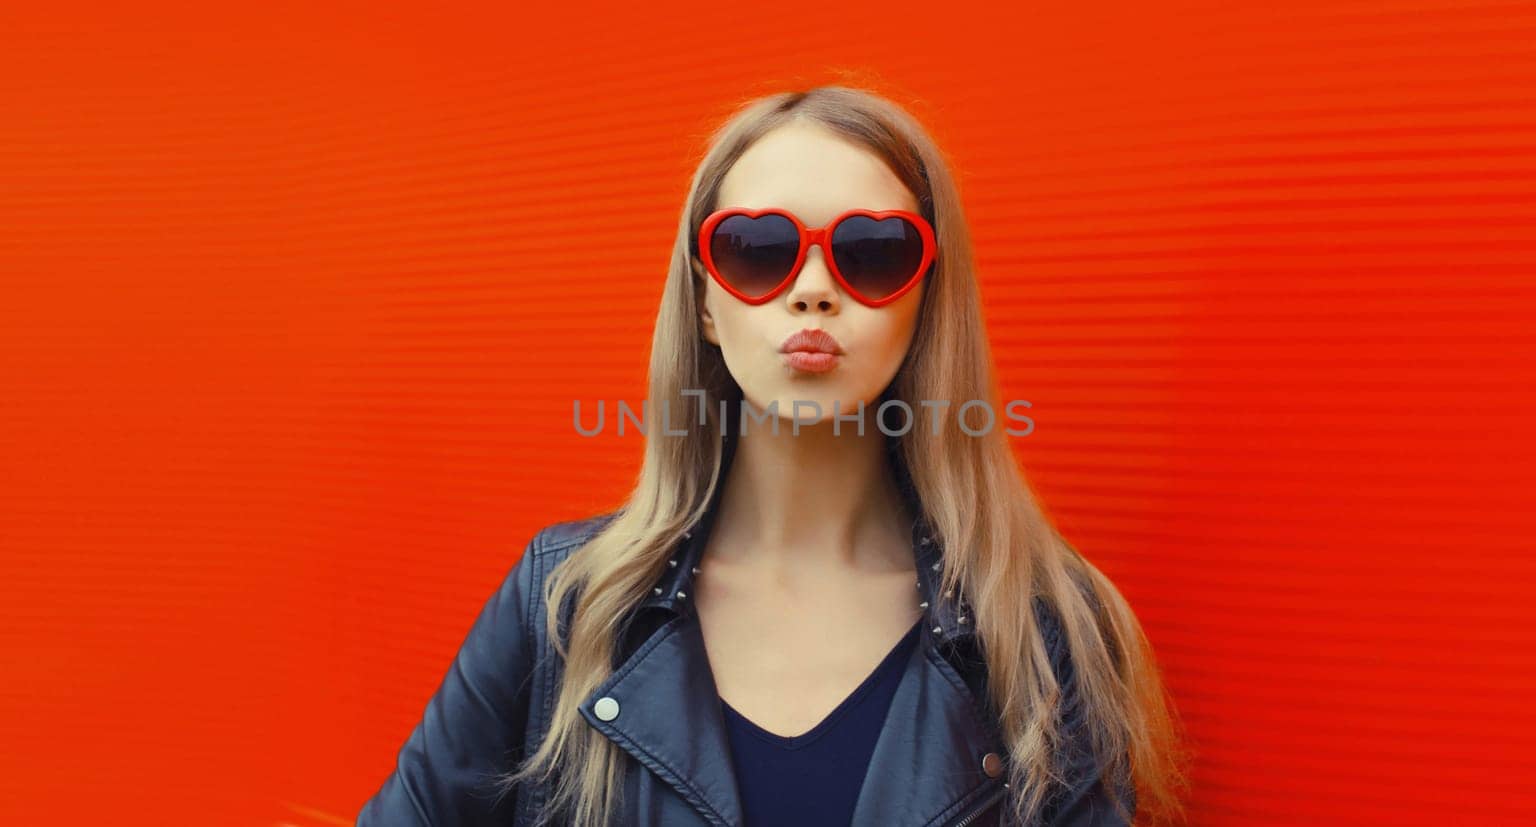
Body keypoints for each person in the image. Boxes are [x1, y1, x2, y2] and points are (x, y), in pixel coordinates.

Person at [357, 85, 1189, 827]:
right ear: (707, 303)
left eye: (873, 250)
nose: (815, 285)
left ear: (926, 300)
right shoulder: (564, 605)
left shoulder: (1044, 630)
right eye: (757, 248)